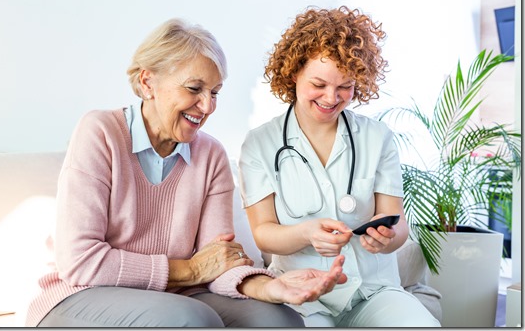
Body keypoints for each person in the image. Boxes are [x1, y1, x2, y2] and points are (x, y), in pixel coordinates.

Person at [24, 18, 348, 328]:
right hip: (78, 296)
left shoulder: (211, 156)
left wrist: (269, 288)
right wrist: (189, 269)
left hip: (172, 298)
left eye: (215, 92)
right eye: (194, 88)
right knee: (193, 319)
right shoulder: (100, 133)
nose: (207, 106)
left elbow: (216, 261)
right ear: (148, 82)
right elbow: (81, 261)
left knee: (279, 320)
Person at [237, 6, 441, 327]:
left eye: (345, 86)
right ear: (293, 74)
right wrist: (306, 233)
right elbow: (263, 233)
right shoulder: (259, 143)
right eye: (318, 83)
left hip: (374, 293)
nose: (332, 98)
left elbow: (398, 223)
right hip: (303, 294)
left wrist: (388, 236)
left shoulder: (377, 137)